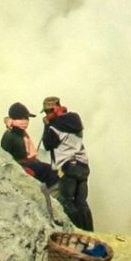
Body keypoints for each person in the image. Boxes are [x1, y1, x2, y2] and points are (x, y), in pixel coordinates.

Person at [41, 97, 92, 231]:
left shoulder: (54, 127)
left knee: (67, 202)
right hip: (83, 166)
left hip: (67, 167)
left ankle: (76, 231)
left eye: (47, 112)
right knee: (81, 203)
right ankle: (90, 232)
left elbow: (47, 144)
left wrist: (47, 125)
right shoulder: (75, 120)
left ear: (51, 111)